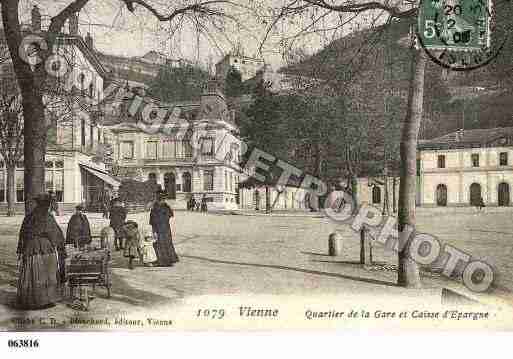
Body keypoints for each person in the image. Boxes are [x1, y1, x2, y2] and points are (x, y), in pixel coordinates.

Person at [17, 193, 66, 309]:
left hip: (30, 248)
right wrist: (60, 245)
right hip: (45, 248)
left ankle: (30, 299)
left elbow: (22, 234)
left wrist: (21, 248)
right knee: (46, 272)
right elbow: (55, 233)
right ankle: (45, 299)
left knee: (32, 273)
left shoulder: (29, 217)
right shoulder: (47, 217)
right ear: (46, 204)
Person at [150, 190, 179, 266]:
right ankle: (168, 259)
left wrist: (154, 228)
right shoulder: (163, 206)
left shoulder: (157, 207)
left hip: (161, 227)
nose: (163, 200)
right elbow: (170, 215)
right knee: (164, 243)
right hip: (164, 227)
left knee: (162, 243)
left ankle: (165, 260)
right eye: (162, 199)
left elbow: (153, 219)